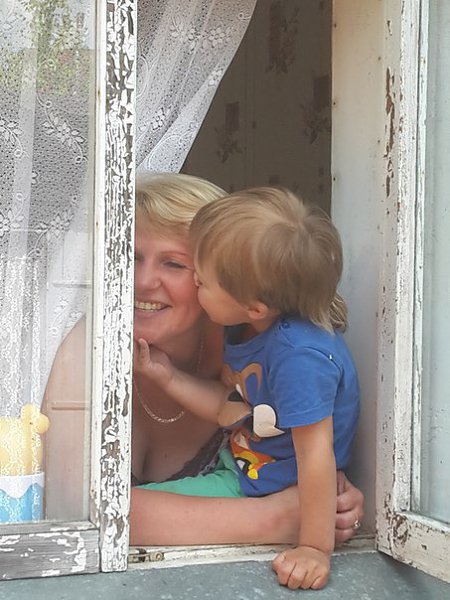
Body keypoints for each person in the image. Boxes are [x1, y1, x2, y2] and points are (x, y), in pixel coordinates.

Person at [44, 172, 363, 545]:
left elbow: (311, 460)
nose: (143, 281)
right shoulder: (88, 347)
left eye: (174, 264)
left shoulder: (264, 350)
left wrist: (336, 506)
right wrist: (274, 519)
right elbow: (72, 509)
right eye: (130, 256)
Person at [132, 179, 362, 589]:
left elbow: (315, 453)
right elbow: (234, 408)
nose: (196, 285)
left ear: (254, 305)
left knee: (118, 513)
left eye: (201, 281)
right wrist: (169, 376)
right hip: (247, 468)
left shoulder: (298, 359)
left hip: (263, 487)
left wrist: (314, 547)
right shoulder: (255, 330)